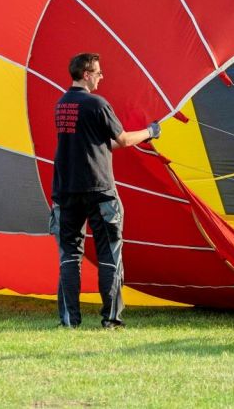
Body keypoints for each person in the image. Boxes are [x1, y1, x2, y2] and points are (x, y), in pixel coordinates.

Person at [51, 53, 161, 329]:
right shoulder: (97, 104)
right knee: (109, 253)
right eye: (98, 72)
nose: (102, 77)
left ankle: (69, 321)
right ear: (86, 74)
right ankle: (110, 319)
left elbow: (91, 146)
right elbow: (122, 139)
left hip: (65, 190)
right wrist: (150, 132)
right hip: (99, 190)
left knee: (69, 255)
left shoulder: (61, 105)